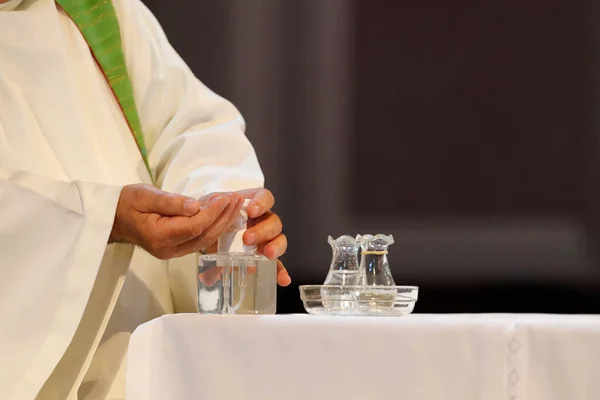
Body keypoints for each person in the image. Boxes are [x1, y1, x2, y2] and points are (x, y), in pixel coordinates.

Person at [0, 0, 291, 399]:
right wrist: (106, 219)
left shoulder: (100, 8)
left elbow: (187, 124)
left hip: (148, 366)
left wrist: (217, 209)